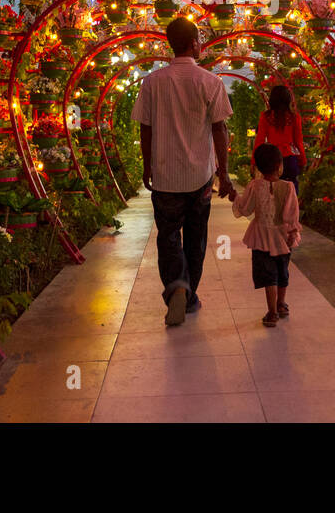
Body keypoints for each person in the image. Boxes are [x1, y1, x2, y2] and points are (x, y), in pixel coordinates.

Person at [131, 17, 236, 327]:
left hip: (165, 177)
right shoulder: (210, 82)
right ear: (194, 44)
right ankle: (188, 296)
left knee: (168, 237)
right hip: (200, 178)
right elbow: (220, 130)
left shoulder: (152, 82)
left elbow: (145, 129)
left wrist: (147, 165)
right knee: (195, 238)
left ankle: (176, 286)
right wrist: (224, 173)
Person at [231, 143, 301, 327]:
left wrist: (235, 198)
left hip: (260, 237)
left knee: (268, 274)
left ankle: (271, 312)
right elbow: (291, 214)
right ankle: (281, 304)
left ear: (258, 167)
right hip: (283, 237)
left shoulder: (254, 185)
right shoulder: (288, 187)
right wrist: (293, 231)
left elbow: (245, 209)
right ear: (280, 165)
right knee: (282, 271)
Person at [253, 84, 306, 197]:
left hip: (271, 160)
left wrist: (254, 161)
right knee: (291, 193)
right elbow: (298, 142)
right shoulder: (294, 118)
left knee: (273, 194)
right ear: (288, 99)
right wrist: (303, 160)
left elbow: (259, 141)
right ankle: (291, 212)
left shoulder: (266, 117)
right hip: (290, 159)